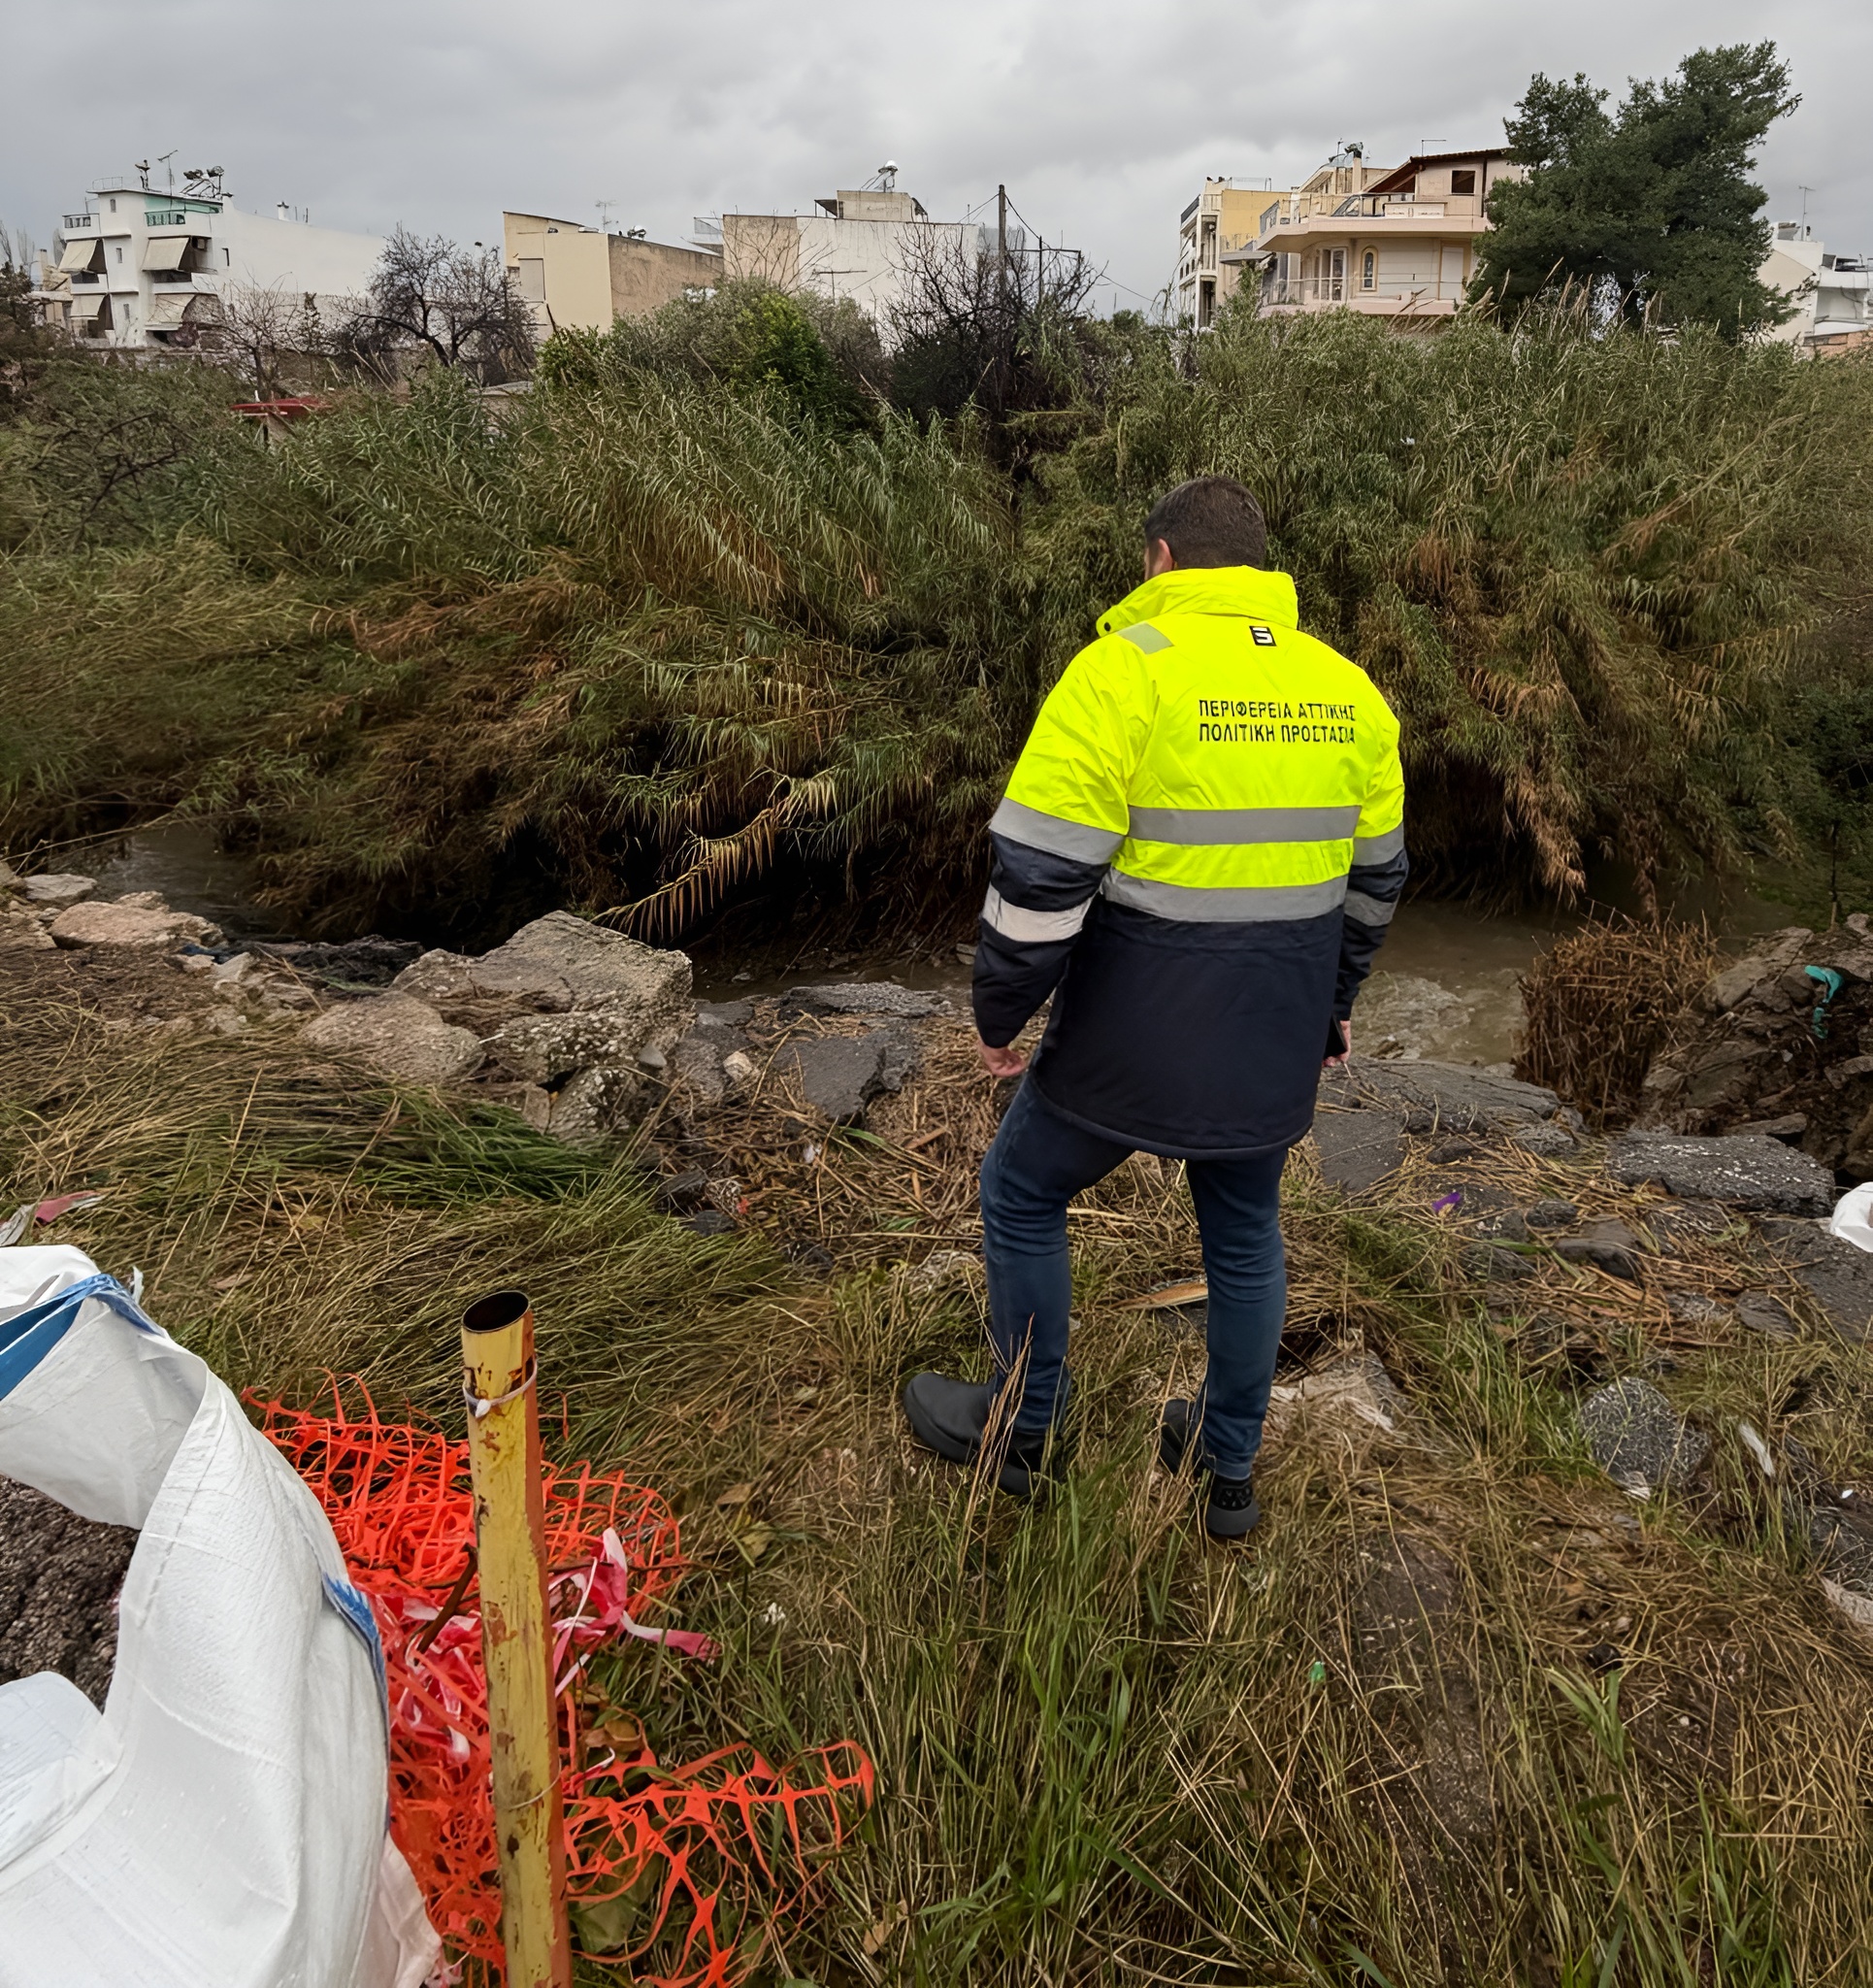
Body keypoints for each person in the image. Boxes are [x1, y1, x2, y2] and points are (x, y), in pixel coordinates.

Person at [901, 475, 1406, 1540]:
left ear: (1162, 561)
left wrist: (1001, 1016)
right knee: (1244, 1234)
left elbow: (1040, 874)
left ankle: (1019, 1432)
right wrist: (1333, 1005)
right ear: (1262, 572)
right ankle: (1227, 1473)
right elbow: (1374, 885)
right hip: (1270, 1032)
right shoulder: (1349, 690)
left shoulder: (1119, 673)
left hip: (1127, 1038)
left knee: (1024, 1189)